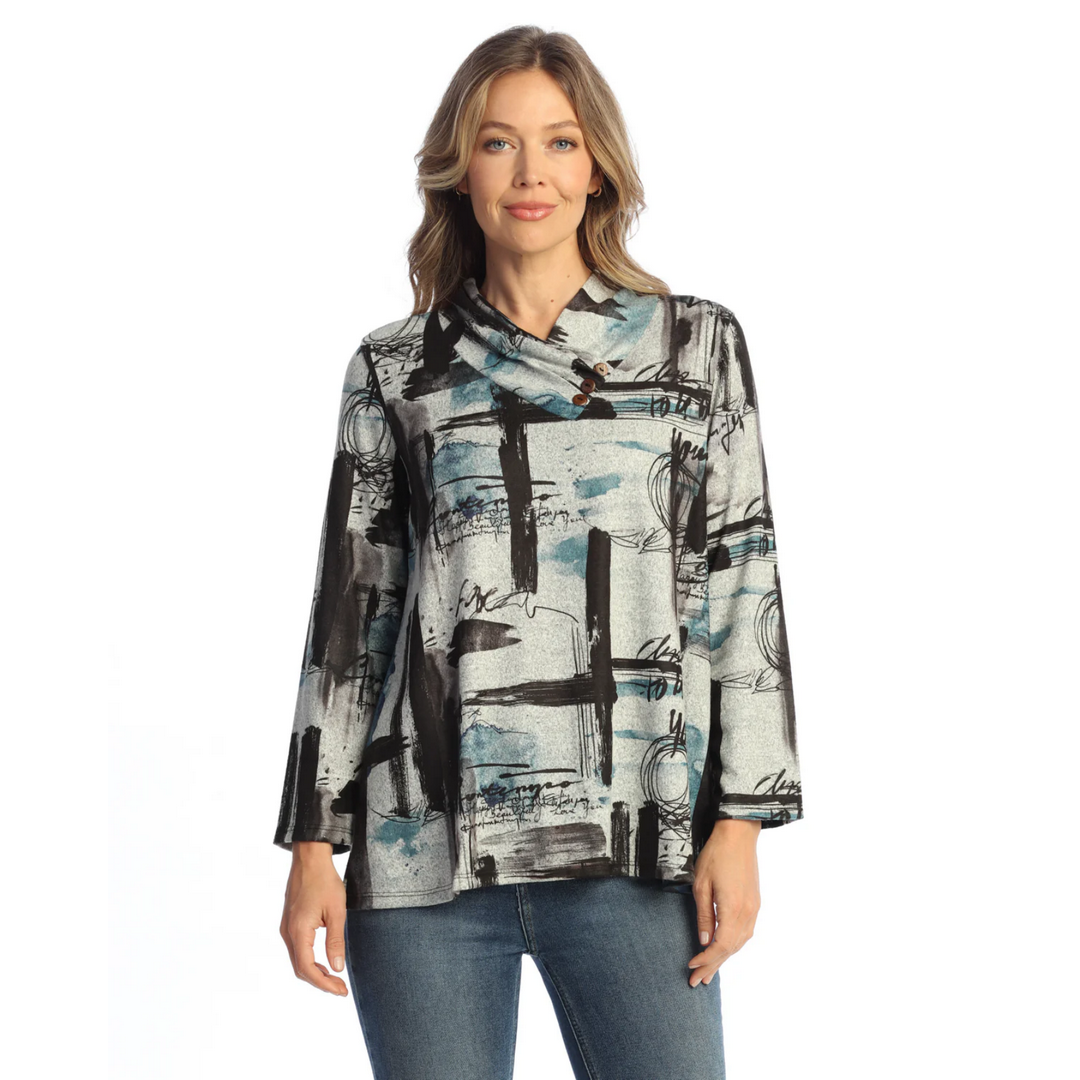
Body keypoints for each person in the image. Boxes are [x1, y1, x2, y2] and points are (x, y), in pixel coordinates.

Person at [274, 24, 803, 1080]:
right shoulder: (396, 368)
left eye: (560, 142)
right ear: (458, 170)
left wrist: (741, 825)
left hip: (636, 847)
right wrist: (313, 846)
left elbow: (743, 586)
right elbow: (353, 618)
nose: (531, 173)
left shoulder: (694, 345)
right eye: (498, 143)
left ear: (597, 166)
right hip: (421, 857)